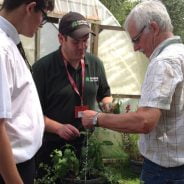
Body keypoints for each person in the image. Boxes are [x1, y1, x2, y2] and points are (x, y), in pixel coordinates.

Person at [81, 1, 184, 183]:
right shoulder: (180, 53)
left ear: (153, 28)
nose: (135, 48)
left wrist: (96, 118)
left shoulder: (163, 62)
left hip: (166, 171)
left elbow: (145, 121)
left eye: (136, 39)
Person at [32, 11, 112, 179]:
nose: (82, 46)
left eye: (85, 41)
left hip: (86, 144)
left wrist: (107, 104)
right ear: (61, 39)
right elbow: (33, 114)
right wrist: (58, 128)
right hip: (52, 148)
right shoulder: (42, 69)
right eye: (76, 42)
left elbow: (105, 93)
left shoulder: (95, 64)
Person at [0, 0, 54, 184]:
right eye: (44, 16)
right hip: (9, 169)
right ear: (30, 8)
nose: (41, 23)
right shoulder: (2, 49)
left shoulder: (9, 43)